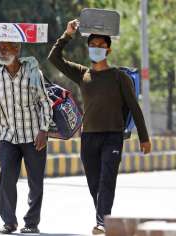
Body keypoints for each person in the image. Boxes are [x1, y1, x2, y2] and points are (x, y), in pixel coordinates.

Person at [48, 19, 152, 234]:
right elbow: (54, 59)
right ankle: (103, 217)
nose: (96, 48)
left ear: (109, 50)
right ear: (88, 48)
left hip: (112, 137)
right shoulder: (82, 73)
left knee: (107, 179)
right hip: (88, 138)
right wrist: (67, 35)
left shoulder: (119, 77)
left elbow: (134, 107)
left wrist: (144, 137)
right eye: (93, 45)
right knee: (94, 182)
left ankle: (102, 222)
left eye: (101, 46)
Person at [0, 41, 53, 234]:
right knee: (5, 178)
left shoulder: (33, 73)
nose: (2, 51)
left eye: (6, 47)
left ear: (17, 50)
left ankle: (31, 223)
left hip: (34, 136)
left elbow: (45, 102)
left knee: (35, 182)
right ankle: (9, 221)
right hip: (8, 137)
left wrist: (43, 130)